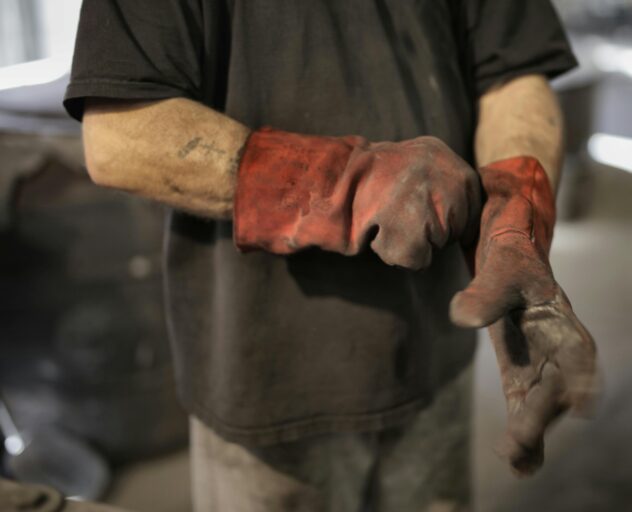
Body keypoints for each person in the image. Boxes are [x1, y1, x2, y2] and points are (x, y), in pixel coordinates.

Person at [64, 1, 598, 510]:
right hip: (270, 380)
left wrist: (513, 231)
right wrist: (351, 182)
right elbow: (120, 132)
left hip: (436, 354)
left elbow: (513, 77)